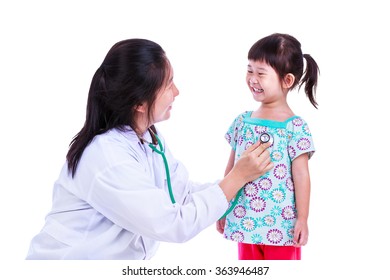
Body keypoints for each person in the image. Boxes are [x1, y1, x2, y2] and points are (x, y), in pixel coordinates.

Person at [26, 38, 273, 260]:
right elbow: (173, 224)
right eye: (169, 85)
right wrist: (237, 178)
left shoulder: (148, 138)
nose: (177, 92)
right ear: (139, 103)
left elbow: (180, 194)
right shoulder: (107, 158)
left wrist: (238, 186)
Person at [216, 33, 319, 260]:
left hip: (282, 228)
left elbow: (301, 176)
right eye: (249, 70)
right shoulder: (242, 121)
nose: (252, 78)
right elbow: (232, 169)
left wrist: (302, 218)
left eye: (261, 73)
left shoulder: (295, 127)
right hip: (244, 221)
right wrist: (221, 205)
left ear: (287, 81)